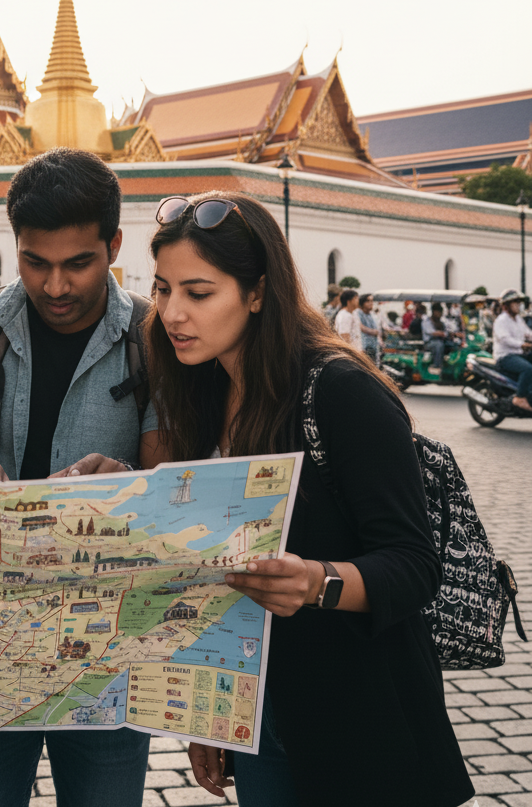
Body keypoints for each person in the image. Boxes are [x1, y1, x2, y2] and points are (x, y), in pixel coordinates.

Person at [147, 192, 472, 807]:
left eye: (198, 292)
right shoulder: (203, 392)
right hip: (260, 709)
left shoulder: (339, 390)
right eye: (163, 289)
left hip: (362, 715)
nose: (172, 313)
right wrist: (207, 713)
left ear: (258, 292)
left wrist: (317, 582)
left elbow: (414, 564)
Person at [0, 147, 159, 807]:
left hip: (105, 651)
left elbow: (172, 485)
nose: (56, 286)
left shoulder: (153, 339)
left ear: (115, 245)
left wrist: (123, 478)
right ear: (15, 245)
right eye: (35, 262)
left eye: (78, 263)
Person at [492, 288, 532, 412]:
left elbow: (528, 333)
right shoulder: (501, 320)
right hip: (506, 356)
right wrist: (522, 345)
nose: (518, 305)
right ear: (506, 306)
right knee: (528, 368)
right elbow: (505, 339)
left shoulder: (518, 319)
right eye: (515, 303)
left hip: (519, 355)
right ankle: (520, 397)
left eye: (518, 302)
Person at [357, 293, 380, 362]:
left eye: (372, 301)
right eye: (368, 301)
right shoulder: (358, 313)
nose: (371, 303)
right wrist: (373, 332)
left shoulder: (371, 315)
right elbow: (360, 326)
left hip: (373, 347)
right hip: (364, 348)